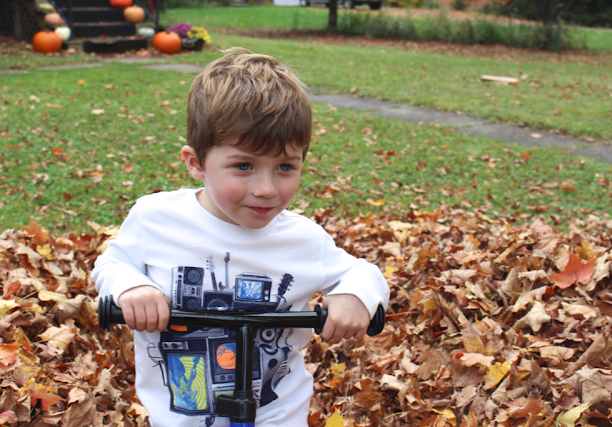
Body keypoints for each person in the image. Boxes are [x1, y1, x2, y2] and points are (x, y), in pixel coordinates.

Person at [91, 47, 389, 427]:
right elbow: (112, 264)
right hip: (182, 415)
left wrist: (354, 296)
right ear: (196, 163)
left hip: (276, 416)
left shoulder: (303, 240)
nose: (266, 189)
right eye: (244, 166)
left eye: (285, 167)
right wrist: (132, 288)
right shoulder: (157, 219)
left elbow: (363, 272)